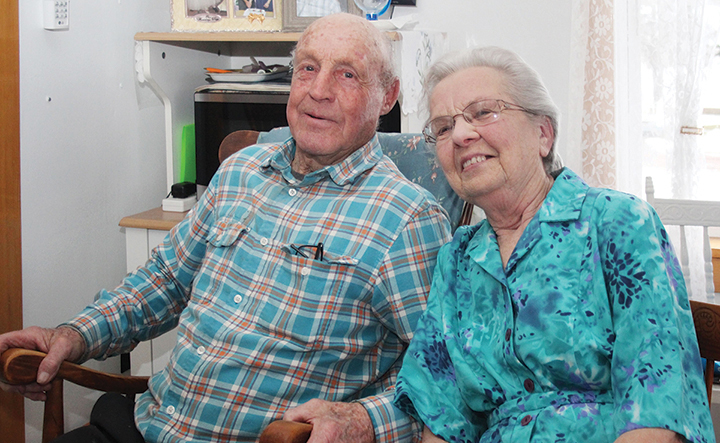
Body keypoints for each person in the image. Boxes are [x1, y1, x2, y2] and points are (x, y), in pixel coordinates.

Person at [0, 13, 452, 443]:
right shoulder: (240, 172)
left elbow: (445, 376)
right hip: (145, 422)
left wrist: (363, 421)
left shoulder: (406, 219)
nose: (319, 90)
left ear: (388, 96)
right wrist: (76, 334)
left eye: (347, 75)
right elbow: (163, 282)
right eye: (307, 68)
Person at [392, 46, 715, 443]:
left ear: (543, 133)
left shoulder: (617, 222)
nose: (460, 134)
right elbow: (441, 417)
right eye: (443, 128)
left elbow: (657, 411)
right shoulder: (457, 259)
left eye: (483, 112)